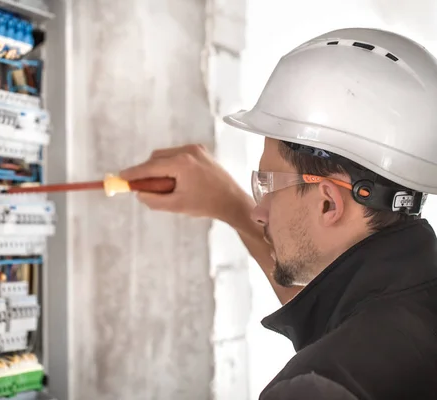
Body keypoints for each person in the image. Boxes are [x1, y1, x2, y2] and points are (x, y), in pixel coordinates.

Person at [120, 27, 437, 399]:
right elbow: (339, 316)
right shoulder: (408, 310)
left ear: (328, 203)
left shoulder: (318, 386)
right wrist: (229, 205)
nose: (259, 210)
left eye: (267, 186)